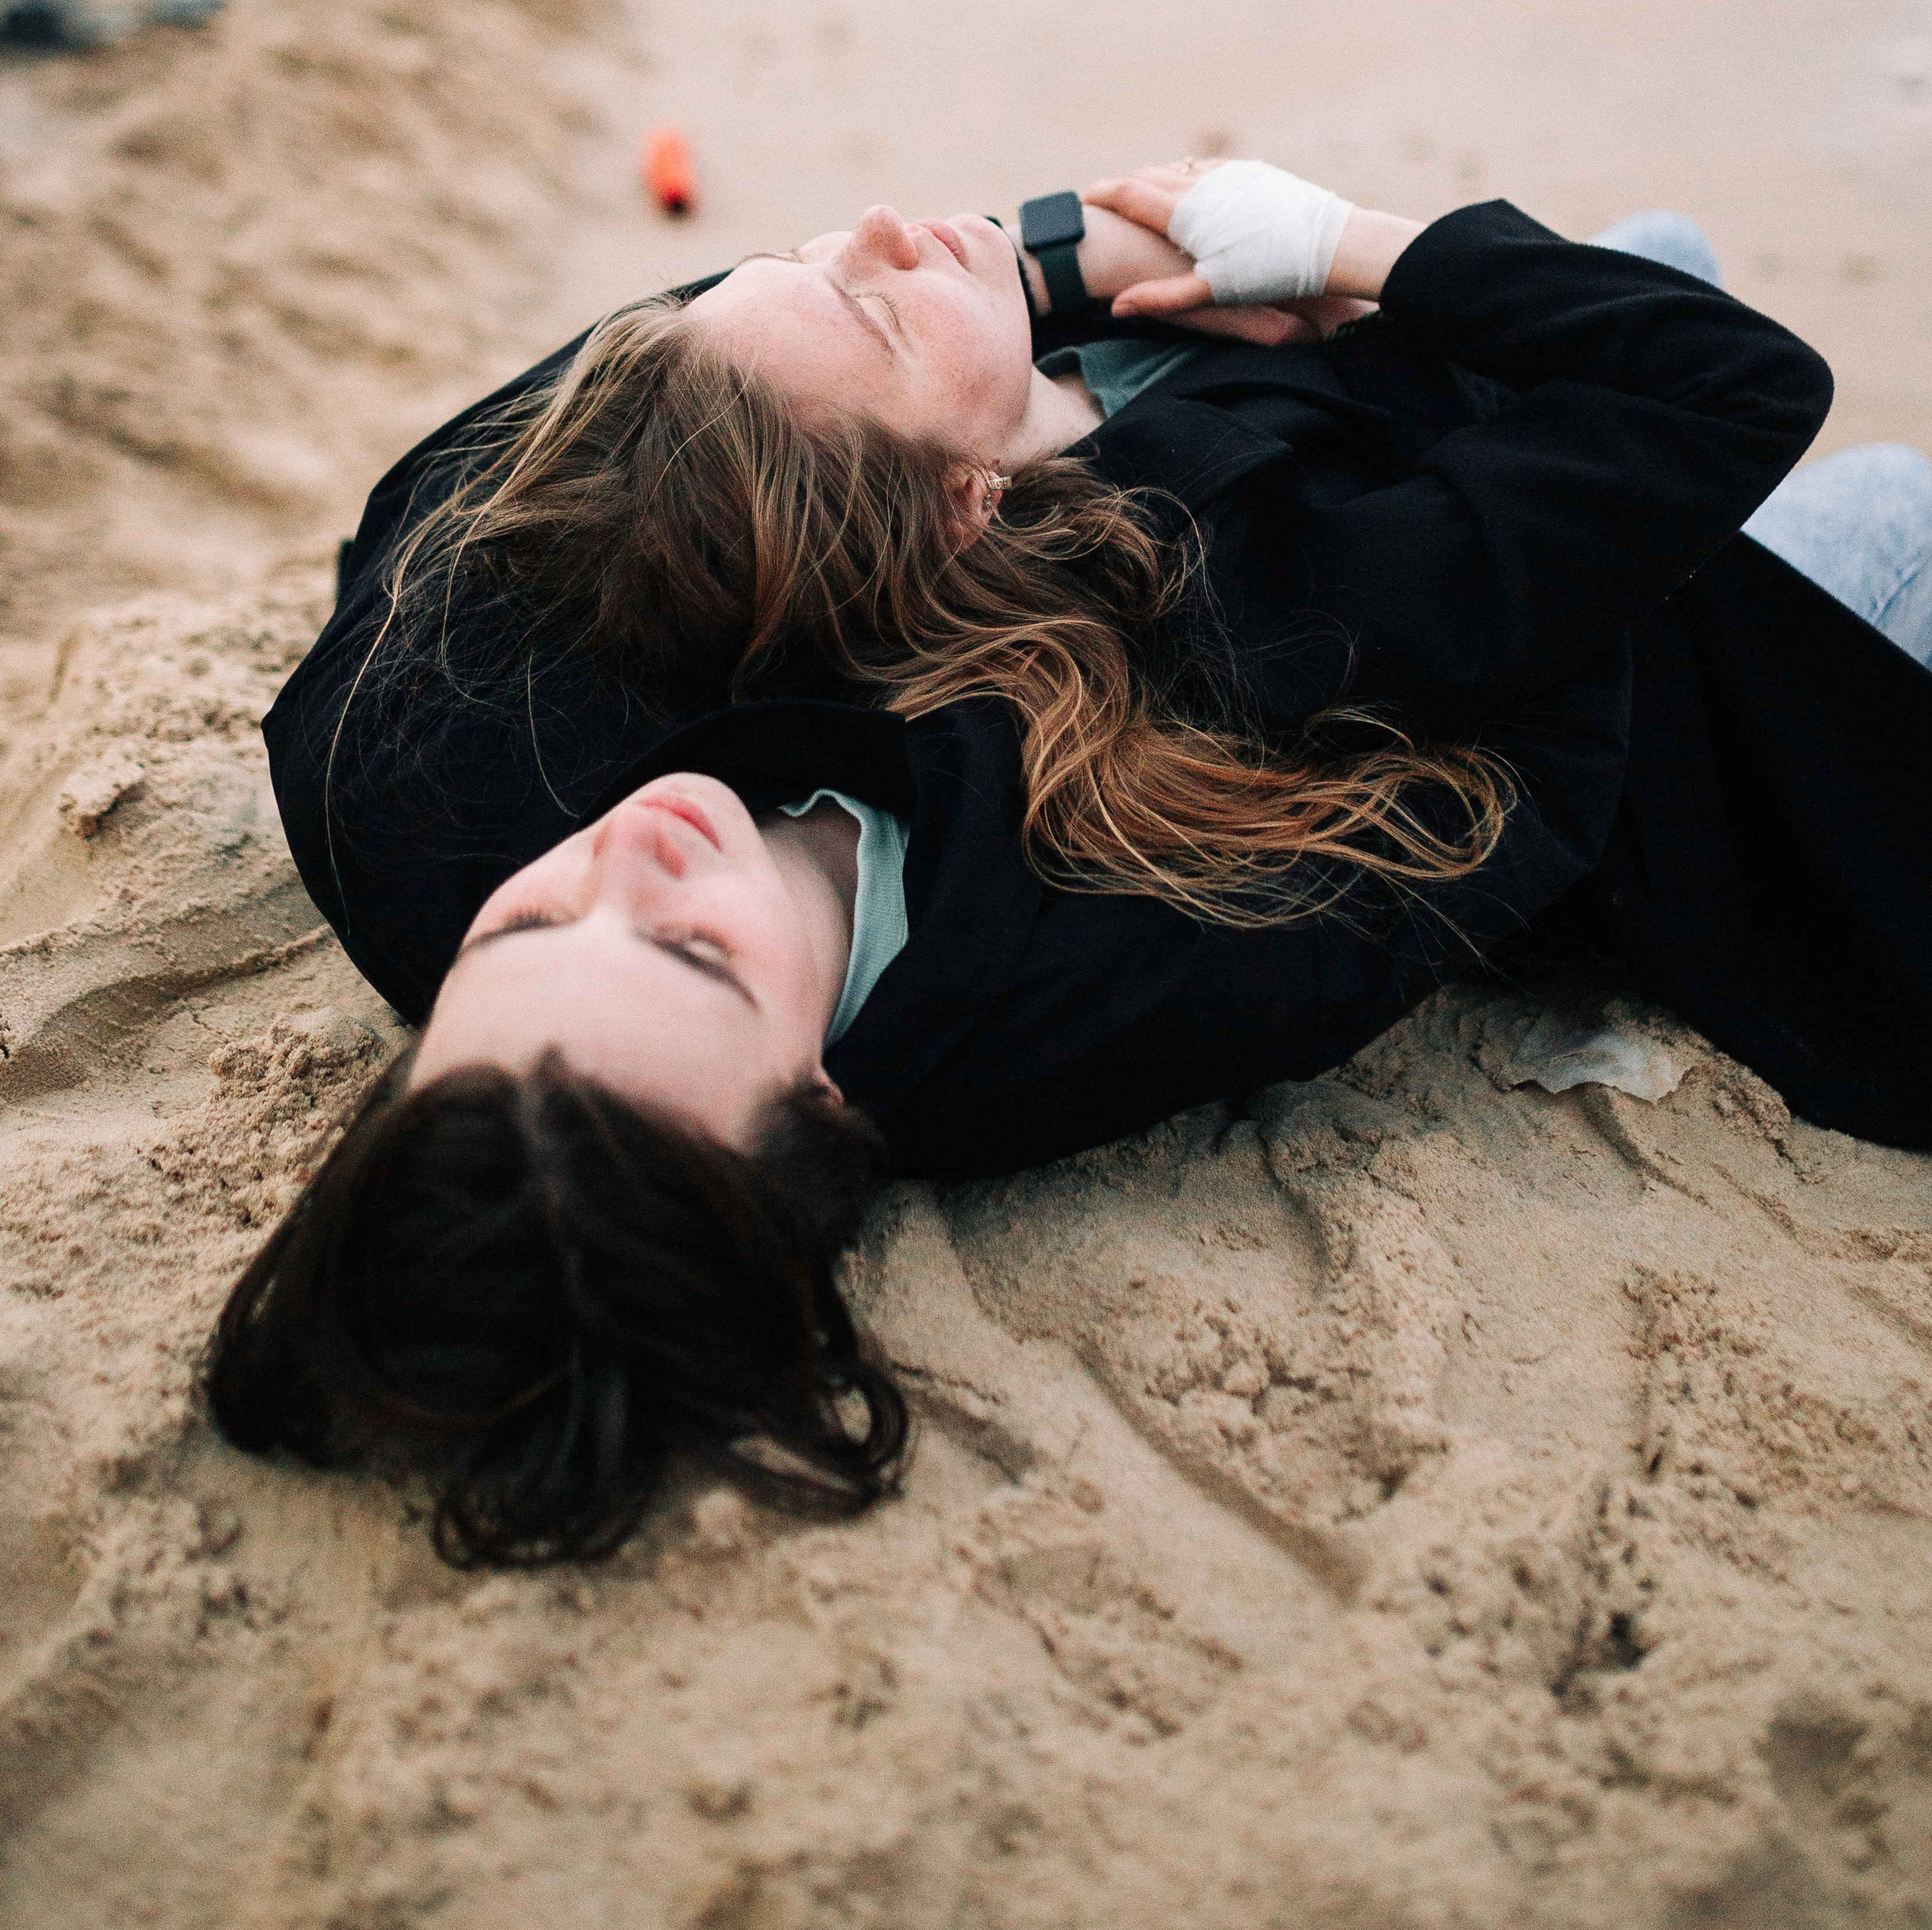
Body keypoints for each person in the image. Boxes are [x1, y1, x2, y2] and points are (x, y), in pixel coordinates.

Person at [206, 162, 1932, 1567]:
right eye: (690, 957)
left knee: (1636, 245)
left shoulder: (425, 819)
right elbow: (1528, 753)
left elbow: (580, 428)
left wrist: (1058, 270)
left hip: (1246, 480)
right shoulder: (1136, 928)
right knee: (1862, 487)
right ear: (816, 1109)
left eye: (529, 926)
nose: (638, 853)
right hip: (1683, 707)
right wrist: (1381, 327)